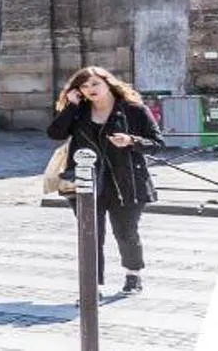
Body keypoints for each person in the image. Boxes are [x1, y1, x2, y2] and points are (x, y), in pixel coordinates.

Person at [47, 66, 163, 294]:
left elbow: (158, 143)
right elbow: (55, 133)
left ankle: (133, 275)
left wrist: (131, 140)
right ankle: (93, 287)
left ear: (108, 83)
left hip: (127, 182)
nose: (90, 89)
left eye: (94, 84)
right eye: (84, 86)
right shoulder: (78, 111)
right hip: (85, 183)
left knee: (126, 232)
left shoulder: (134, 110)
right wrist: (71, 105)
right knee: (90, 235)